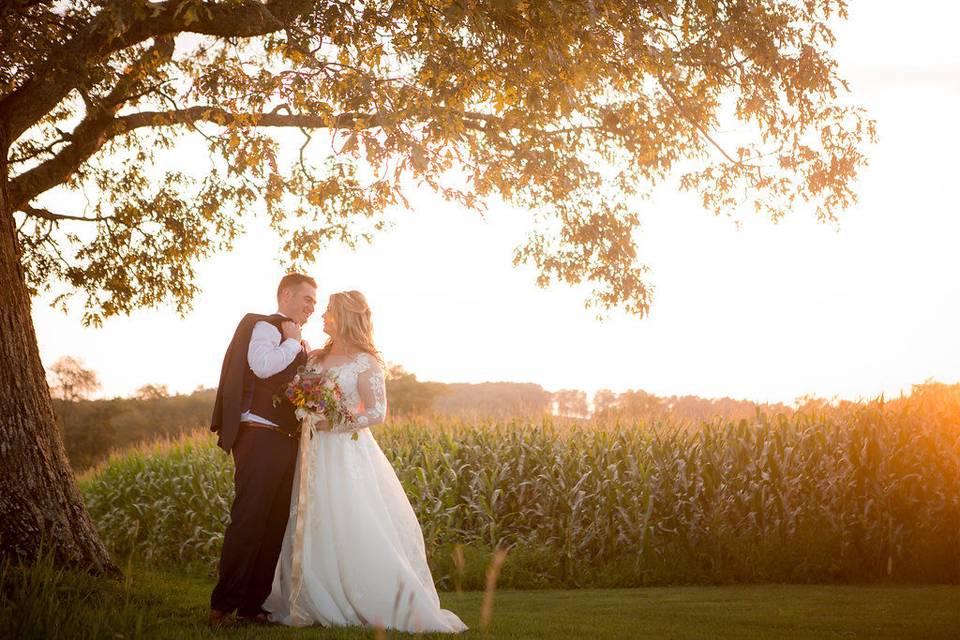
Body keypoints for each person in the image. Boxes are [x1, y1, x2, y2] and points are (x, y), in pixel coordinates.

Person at [264, 291, 467, 633]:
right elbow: (302, 394)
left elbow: (377, 411)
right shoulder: (313, 357)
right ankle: (313, 594)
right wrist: (306, 409)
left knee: (352, 518)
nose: (323, 315)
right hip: (314, 452)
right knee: (315, 518)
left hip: (347, 453)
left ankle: (368, 596)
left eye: (328, 311)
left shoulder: (365, 362)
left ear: (344, 317)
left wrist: (337, 422)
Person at [208, 273, 318, 627]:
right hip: (259, 438)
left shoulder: (298, 340)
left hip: (287, 440)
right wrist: (291, 343)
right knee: (249, 520)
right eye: (306, 299)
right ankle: (223, 605)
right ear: (286, 294)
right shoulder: (267, 328)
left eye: (315, 303)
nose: (311, 307)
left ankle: (252, 605)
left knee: (274, 525)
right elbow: (262, 365)